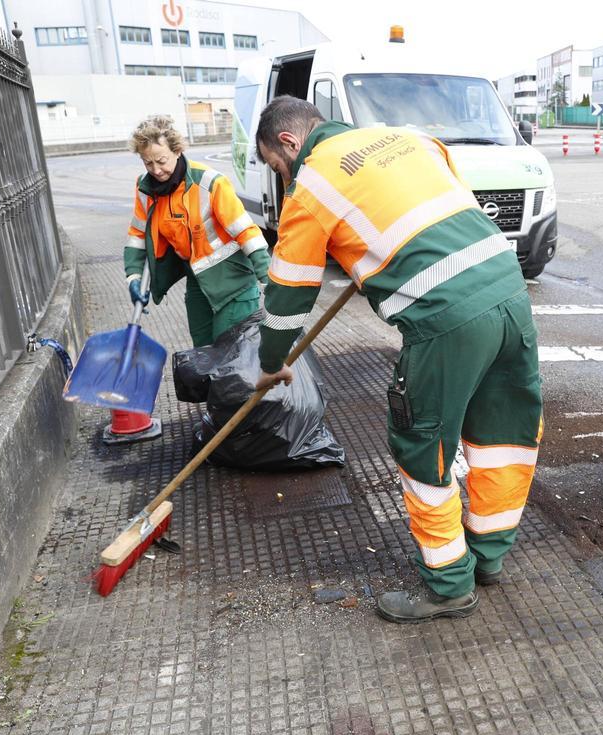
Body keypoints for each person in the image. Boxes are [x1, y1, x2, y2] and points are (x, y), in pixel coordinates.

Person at [253, 96, 543, 624]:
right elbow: (440, 209)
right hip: (509, 292)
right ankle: (488, 557)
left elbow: (288, 293)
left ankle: (449, 585)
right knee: (503, 435)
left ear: (290, 143)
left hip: (447, 320)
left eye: (277, 165)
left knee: (423, 445)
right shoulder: (407, 137)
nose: (282, 176)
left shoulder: (313, 184)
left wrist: (274, 360)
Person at [124, 115, 271, 347]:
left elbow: (246, 231)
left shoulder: (210, 183)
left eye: (161, 161)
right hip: (199, 280)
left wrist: (267, 279)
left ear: (177, 150)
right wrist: (133, 277)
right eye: (147, 163)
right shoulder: (145, 189)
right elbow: (137, 236)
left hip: (233, 283)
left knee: (230, 355)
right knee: (202, 351)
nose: (156, 170)